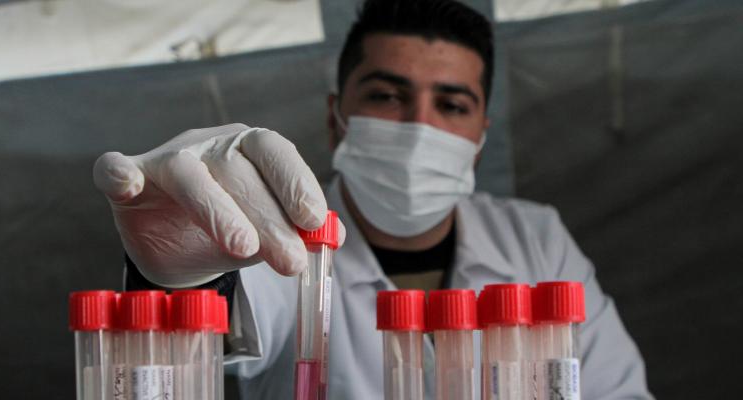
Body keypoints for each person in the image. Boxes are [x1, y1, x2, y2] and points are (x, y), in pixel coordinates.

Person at [92, 0, 653, 398]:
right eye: (387, 95)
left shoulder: (536, 239)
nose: (418, 126)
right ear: (335, 118)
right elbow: (204, 338)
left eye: (452, 105)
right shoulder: (278, 236)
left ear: (480, 140)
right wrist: (175, 281)